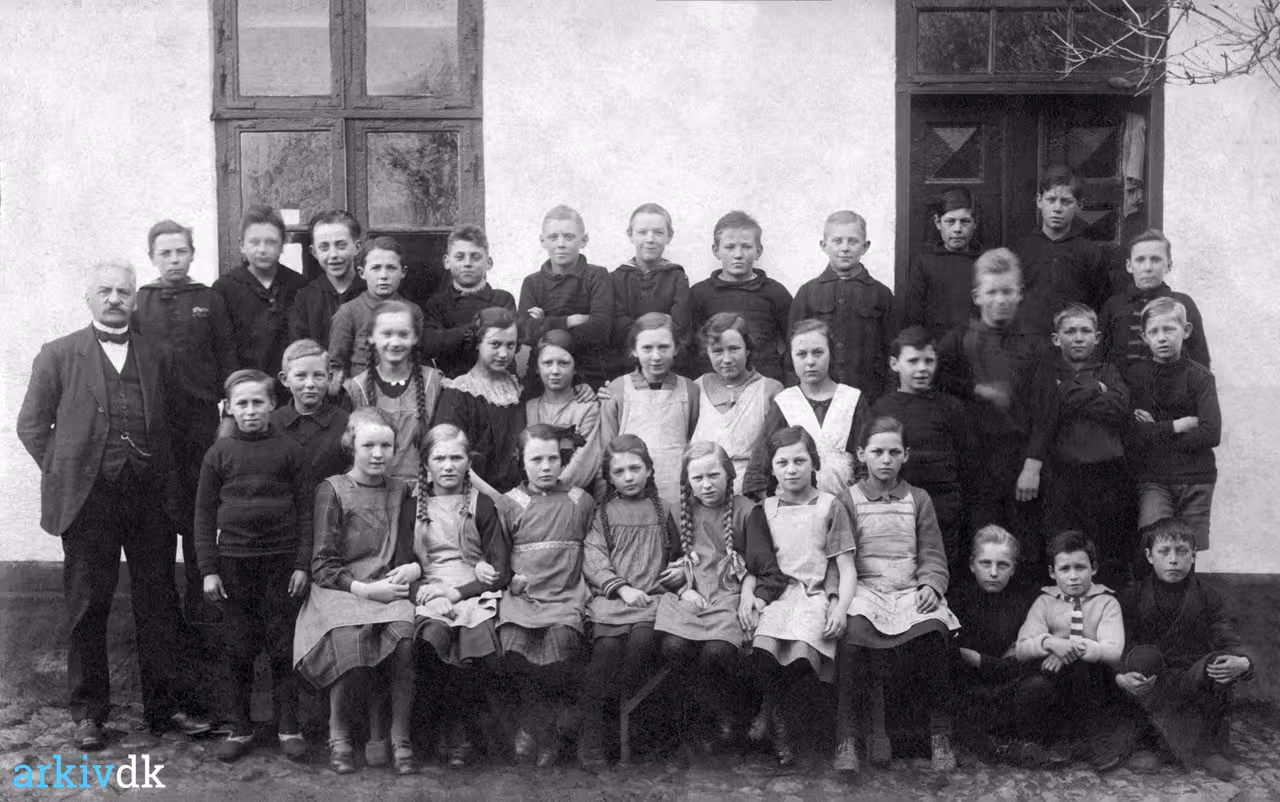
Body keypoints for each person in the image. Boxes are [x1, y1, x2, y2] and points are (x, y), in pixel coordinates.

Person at [17, 260, 210, 749]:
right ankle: (88, 714)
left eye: (123, 291)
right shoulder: (59, 354)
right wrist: (69, 471)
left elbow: (181, 424)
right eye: (104, 291)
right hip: (89, 502)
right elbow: (32, 425)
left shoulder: (158, 354)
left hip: (150, 497)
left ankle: (167, 708)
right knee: (88, 605)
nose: (114, 299)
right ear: (88, 298)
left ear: (134, 299)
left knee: (159, 603)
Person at [292, 408, 422, 775]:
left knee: (404, 641)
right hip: (341, 588)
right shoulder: (333, 489)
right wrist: (365, 589)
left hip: (387, 585)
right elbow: (323, 564)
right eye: (369, 445)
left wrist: (413, 569)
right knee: (350, 640)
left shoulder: (401, 490)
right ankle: (339, 733)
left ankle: (398, 736)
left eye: (386, 446)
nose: (378, 454)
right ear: (352, 445)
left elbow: (410, 547)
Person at [193, 369, 312, 762]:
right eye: (241, 403)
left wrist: (302, 564)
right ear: (229, 407)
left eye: (257, 402)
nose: (250, 410)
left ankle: (288, 727)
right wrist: (209, 570)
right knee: (237, 648)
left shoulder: (291, 450)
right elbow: (203, 515)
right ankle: (240, 728)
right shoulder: (219, 454)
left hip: (281, 565)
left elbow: (307, 512)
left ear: (272, 404)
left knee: (283, 645)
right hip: (234, 566)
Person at [835, 416, 959, 775]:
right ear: (862, 454)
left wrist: (930, 585)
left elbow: (932, 553)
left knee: (935, 632)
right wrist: (839, 599)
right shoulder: (847, 500)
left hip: (908, 591)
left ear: (906, 455)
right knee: (851, 639)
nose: (886, 459)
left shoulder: (918, 499)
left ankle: (940, 735)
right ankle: (847, 738)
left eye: (893, 452)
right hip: (864, 590)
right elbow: (841, 561)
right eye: (877, 452)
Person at [132, 219, 236, 621]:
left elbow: (228, 357)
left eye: (181, 251)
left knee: (199, 508)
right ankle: (164, 616)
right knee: (158, 511)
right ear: (152, 257)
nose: (174, 259)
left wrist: (227, 416)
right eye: (165, 253)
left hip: (199, 423)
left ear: (192, 253)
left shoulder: (209, 299)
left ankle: (201, 603)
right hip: (154, 426)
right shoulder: (141, 302)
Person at [655, 442, 785, 758]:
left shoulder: (748, 511)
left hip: (730, 595)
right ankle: (706, 717)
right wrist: (683, 589)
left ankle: (736, 715)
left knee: (717, 652)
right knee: (673, 647)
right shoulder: (679, 512)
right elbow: (670, 563)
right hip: (693, 595)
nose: (706, 485)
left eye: (714, 475)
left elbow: (766, 570)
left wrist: (753, 598)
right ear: (687, 481)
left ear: (729, 475)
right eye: (697, 478)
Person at [937, 248, 1058, 570]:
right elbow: (935, 378)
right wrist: (976, 389)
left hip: (1020, 459)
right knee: (977, 541)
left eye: (1007, 291)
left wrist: (1032, 465)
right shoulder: (959, 340)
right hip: (974, 460)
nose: (1000, 299)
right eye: (992, 292)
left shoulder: (1034, 344)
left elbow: (1047, 409)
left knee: (1025, 542)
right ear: (977, 296)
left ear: (1019, 293)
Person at [748, 427, 857, 767]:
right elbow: (756, 566)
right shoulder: (764, 509)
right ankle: (778, 720)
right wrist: (747, 598)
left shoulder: (830, 506)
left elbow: (846, 567)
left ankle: (777, 717)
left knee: (801, 655)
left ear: (814, 463)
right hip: (776, 595)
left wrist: (840, 607)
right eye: (782, 463)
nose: (791, 469)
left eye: (800, 461)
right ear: (772, 468)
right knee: (763, 646)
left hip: (814, 594)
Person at [1117, 518, 1256, 781]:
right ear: (1149, 556)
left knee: (1220, 661)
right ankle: (1148, 745)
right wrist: (1120, 675)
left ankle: (1210, 749)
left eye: (1181, 551)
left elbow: (1225, 634)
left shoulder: (1208, 595)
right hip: (1153, 677)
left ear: (1193, 555)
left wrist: (1243, 661)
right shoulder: (1132, 596)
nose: (1173, 560)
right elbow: (1120, 643)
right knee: (1142, 657)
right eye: (1164, 551)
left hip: (1193, 676)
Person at [492, 425, 596, 767]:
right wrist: (510, 580)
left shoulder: (579, 501)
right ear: (521, 462)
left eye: (553, 458)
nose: (546, 466)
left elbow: (594, 550)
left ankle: (549, 729)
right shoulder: (510, 503)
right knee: (512, 644)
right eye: (536, 459)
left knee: (562, 643)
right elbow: (498, 556)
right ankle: (535, 724)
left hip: (566, 592)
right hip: (523, 596)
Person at [578, 435, 683, 771]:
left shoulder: (665, 509)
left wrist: (680, 571)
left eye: (635, 468)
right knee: (606, 653)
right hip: (615, 600)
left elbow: (681, 554)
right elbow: (593, 557)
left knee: (641, 646)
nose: (628, 477)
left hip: (653, 600)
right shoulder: (603, 513)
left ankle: (635, 733)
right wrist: (622, 589)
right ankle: (594, 739)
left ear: (649, 469)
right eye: (619, 471)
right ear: (609, 477)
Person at [410, 424, 511, 768]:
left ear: (469, 462)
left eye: (456, 458)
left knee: (475, 645)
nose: (448, 466)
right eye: (440, 458)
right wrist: (424, 595)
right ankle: (434, 735)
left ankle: (464, 736)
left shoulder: (482, 505)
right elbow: (400, 563)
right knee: (431, 641)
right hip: (429, 589)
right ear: (426, 464)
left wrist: (458, 592)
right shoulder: (412, 506)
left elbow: (499, 569)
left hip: (472, 592)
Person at [1013, 530, 1128, 771]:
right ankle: (1055, 740)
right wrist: (1050, 643)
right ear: (1052, 572)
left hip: (1094, 680)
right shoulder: (1044, 602)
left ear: (1094, 568)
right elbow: (1022, 648)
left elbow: (1113, 650)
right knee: (1034, 685)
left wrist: (1068, 651)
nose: (1073, 576)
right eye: (1065, 569)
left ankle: (1094, 741)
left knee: (1084, 668)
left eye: (1080, 567)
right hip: (1055, 679)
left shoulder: (1106, 602)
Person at [947, 526, 1055, 767]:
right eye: (985, 563)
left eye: (1003, 565)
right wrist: (1001, 661)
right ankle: (997, 747)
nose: (994, 572)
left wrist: (979, 660)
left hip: (1010, 690)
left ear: (1014, 567)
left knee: (1038, 686)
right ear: (972, 564)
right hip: (971, 694)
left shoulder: (1027, 602)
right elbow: (954, 658)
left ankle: (1015, 745)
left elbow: (1029, 659)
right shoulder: (957, 601)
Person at [870, 326, 970, 574]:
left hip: (943, 509)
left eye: (929, 361)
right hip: (897, 508)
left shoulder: (951, 408)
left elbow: (968, 462)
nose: (922, 368)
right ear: (894, 364)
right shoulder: (882, 408)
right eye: (913, 361)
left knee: (940, 573)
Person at [1044, 303, 1134, 580]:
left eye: (1085, 331)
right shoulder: (1048, 372)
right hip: (1064, 471)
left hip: (1107, 471)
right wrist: (1096, 391)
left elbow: (1119, 407)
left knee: (1107, 540)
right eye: (1070, 331)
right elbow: (1053, 406)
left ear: (1097, 337)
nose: (1079, 337)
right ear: (1056, 338)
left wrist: (1071, 393)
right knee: (1066, 540)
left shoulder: (1108, 371)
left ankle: (1107, 596)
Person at [1124, 297, 1220, 549]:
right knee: (1155, 542)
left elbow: (1211, 434)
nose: (1162, 338)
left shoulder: (1200, 378)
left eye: (1169, 329)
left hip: (1196, 477)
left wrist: (1155, 430)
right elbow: (1134, 434)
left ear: (1186, 330)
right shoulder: (1136, 377)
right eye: (1154, 332)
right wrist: (1177, 425)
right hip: (1153, 477)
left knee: (1191, 550)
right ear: (1144, 337)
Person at [744, 319, 869, 497]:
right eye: (801, 354)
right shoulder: (785, 402)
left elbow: (867, 461)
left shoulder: (852, 399)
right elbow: (759, 467)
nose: (810, 361)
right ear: (791, 357)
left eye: (818, 353)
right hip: (795, 505)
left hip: (846, 503)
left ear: (831, 354)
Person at [788, 210, 893, 401]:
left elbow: (892, 350)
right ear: (823, 245)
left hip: (868, 395)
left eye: (853, 241)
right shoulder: (807, 293)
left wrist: (887, 399)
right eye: (837, 241)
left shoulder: (881, 294)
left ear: (865, 246)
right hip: (818, 396)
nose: (845, 248)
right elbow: (792, 349)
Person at [598, 313, 699, 507]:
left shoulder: (690, 390)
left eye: (664, 347)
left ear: (676, 348)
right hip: (629, 493)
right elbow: (606, 449)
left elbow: (696, 442)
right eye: (647, 348)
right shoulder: (617, 390)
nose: (656, 356)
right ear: (634, 350)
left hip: (678, 492)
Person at [344, 300, 444, 489]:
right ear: (371, 337)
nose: (395, 342)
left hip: (423, 491)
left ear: (415, 337)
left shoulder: (434, 382)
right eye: (387, 334)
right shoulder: (356, 389)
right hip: (372, 491)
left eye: (403, 334)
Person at [688, 211, 793, 383]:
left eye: (746, 246)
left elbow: (796, 341)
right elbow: (688, 348)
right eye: (729, 247)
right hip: (715, 388)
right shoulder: (699, 294)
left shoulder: (775, 292)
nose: (738, 254)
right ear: (716, 250)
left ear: (758, 251)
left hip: (764, 386)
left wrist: (781, 379)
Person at [518, 205, 613, 389]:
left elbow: (600, 329)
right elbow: (524, 331)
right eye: (553, 237)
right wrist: (568, 321)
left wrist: (545, 322)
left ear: (583, 240)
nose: (561, 244)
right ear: (543, 241)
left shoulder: (597, 276)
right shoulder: (532, 282)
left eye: (569, 237)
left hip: (588, 374)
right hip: (542, 375)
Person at [435, 307, 526, 494]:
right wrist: (497, 499)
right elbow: (449, 459)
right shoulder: (459, 394)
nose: (503, 353)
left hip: (519, 495)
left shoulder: (517, 390)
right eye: (495, 344)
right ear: (478, 343)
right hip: (473, 496)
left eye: (510, 345)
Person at [689, 312, 783, 494]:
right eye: (717, 351)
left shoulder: (770, 390)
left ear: (748, 349)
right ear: (707, 352)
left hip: (752, 493)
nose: (726, 359)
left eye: (734, 349)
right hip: (703, 493)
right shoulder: (696, 389)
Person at [213, 204, 308, 379]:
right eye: (254, 242)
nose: (262, 249)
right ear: (242, 245)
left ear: (283, 245)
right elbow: (223, 348)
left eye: (271, 242)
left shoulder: (299, 286)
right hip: (245, 386)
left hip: (291, 385)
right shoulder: (225, 288)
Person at [1011, 167, 1108, 334]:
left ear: (1079, 205)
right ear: (1039, 201)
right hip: (1028, 341)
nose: (1057, 208)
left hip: (1072, 340)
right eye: (1051, 200)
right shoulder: (1020, 250)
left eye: (1066, 202)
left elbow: (1098, 304)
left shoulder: (1090, 253)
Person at [1099, 229, 1210, 370]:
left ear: (1168, 265)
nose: (1147, 268)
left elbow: (1200, 361)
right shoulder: (1114, 306)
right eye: (1140, 260)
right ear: (1129, 265)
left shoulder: (1183, 304)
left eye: (1155, 260)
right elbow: (1099, 358)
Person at [421, 225, 516, 379]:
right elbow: (431, 345)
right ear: (447, 261)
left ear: (489, 263)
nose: (467, 263)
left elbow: (510, 342)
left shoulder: (502, 299)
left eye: (476, 257)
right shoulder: (437, 303)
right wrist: (473, 329)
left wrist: (451, 336)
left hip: (496, 380)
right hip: (453, 381)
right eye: (460, 257)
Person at [609, 203, 691, 378]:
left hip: (667, 365)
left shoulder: (677, 277)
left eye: (658, 232)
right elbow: (618, 323)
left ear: (669, 236)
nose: (650, 239)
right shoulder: (616, 279)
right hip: (626, 366)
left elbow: (680, 325)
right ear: (630, 234)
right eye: (642, 232)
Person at [330, 236, 424, 386]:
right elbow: (336, 366)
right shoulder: (349, 312)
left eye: (391, 268)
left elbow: (418, 360)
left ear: (403, 272)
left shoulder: (413, 311)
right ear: (362, 272)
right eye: (376, 268)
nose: (383, 276)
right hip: (363, 393)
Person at [524, 329, 601, 489]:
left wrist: (550, 490)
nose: (555, 371)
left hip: (570, 494)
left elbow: (583, 462)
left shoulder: (587, 408)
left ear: (575, 367)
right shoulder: (529, 407)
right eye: (547, 363)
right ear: (537, 367)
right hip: (532, 495)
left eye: (563, 363)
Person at [271, 339, 351, 489]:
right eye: (301, 376)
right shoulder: (272, 424)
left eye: (318, 375)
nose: (310, 384)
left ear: (329, 378)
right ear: (285, 379)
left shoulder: (345, 423)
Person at [904, 186, 982, 339]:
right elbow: (914, 315)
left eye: (965, 221)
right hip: (936, 344)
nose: (957, 229)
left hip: (976, 343)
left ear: (975, 223)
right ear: (938, 222)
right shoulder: (924, 263)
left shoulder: (985, 262)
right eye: (950, 221)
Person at [287, 210, 366, 351]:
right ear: (314, 252)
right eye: (324, 247)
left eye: (341, 245)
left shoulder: (371, 290)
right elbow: (299, 349)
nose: (333, 254)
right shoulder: (305, 298)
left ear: (357, 247)